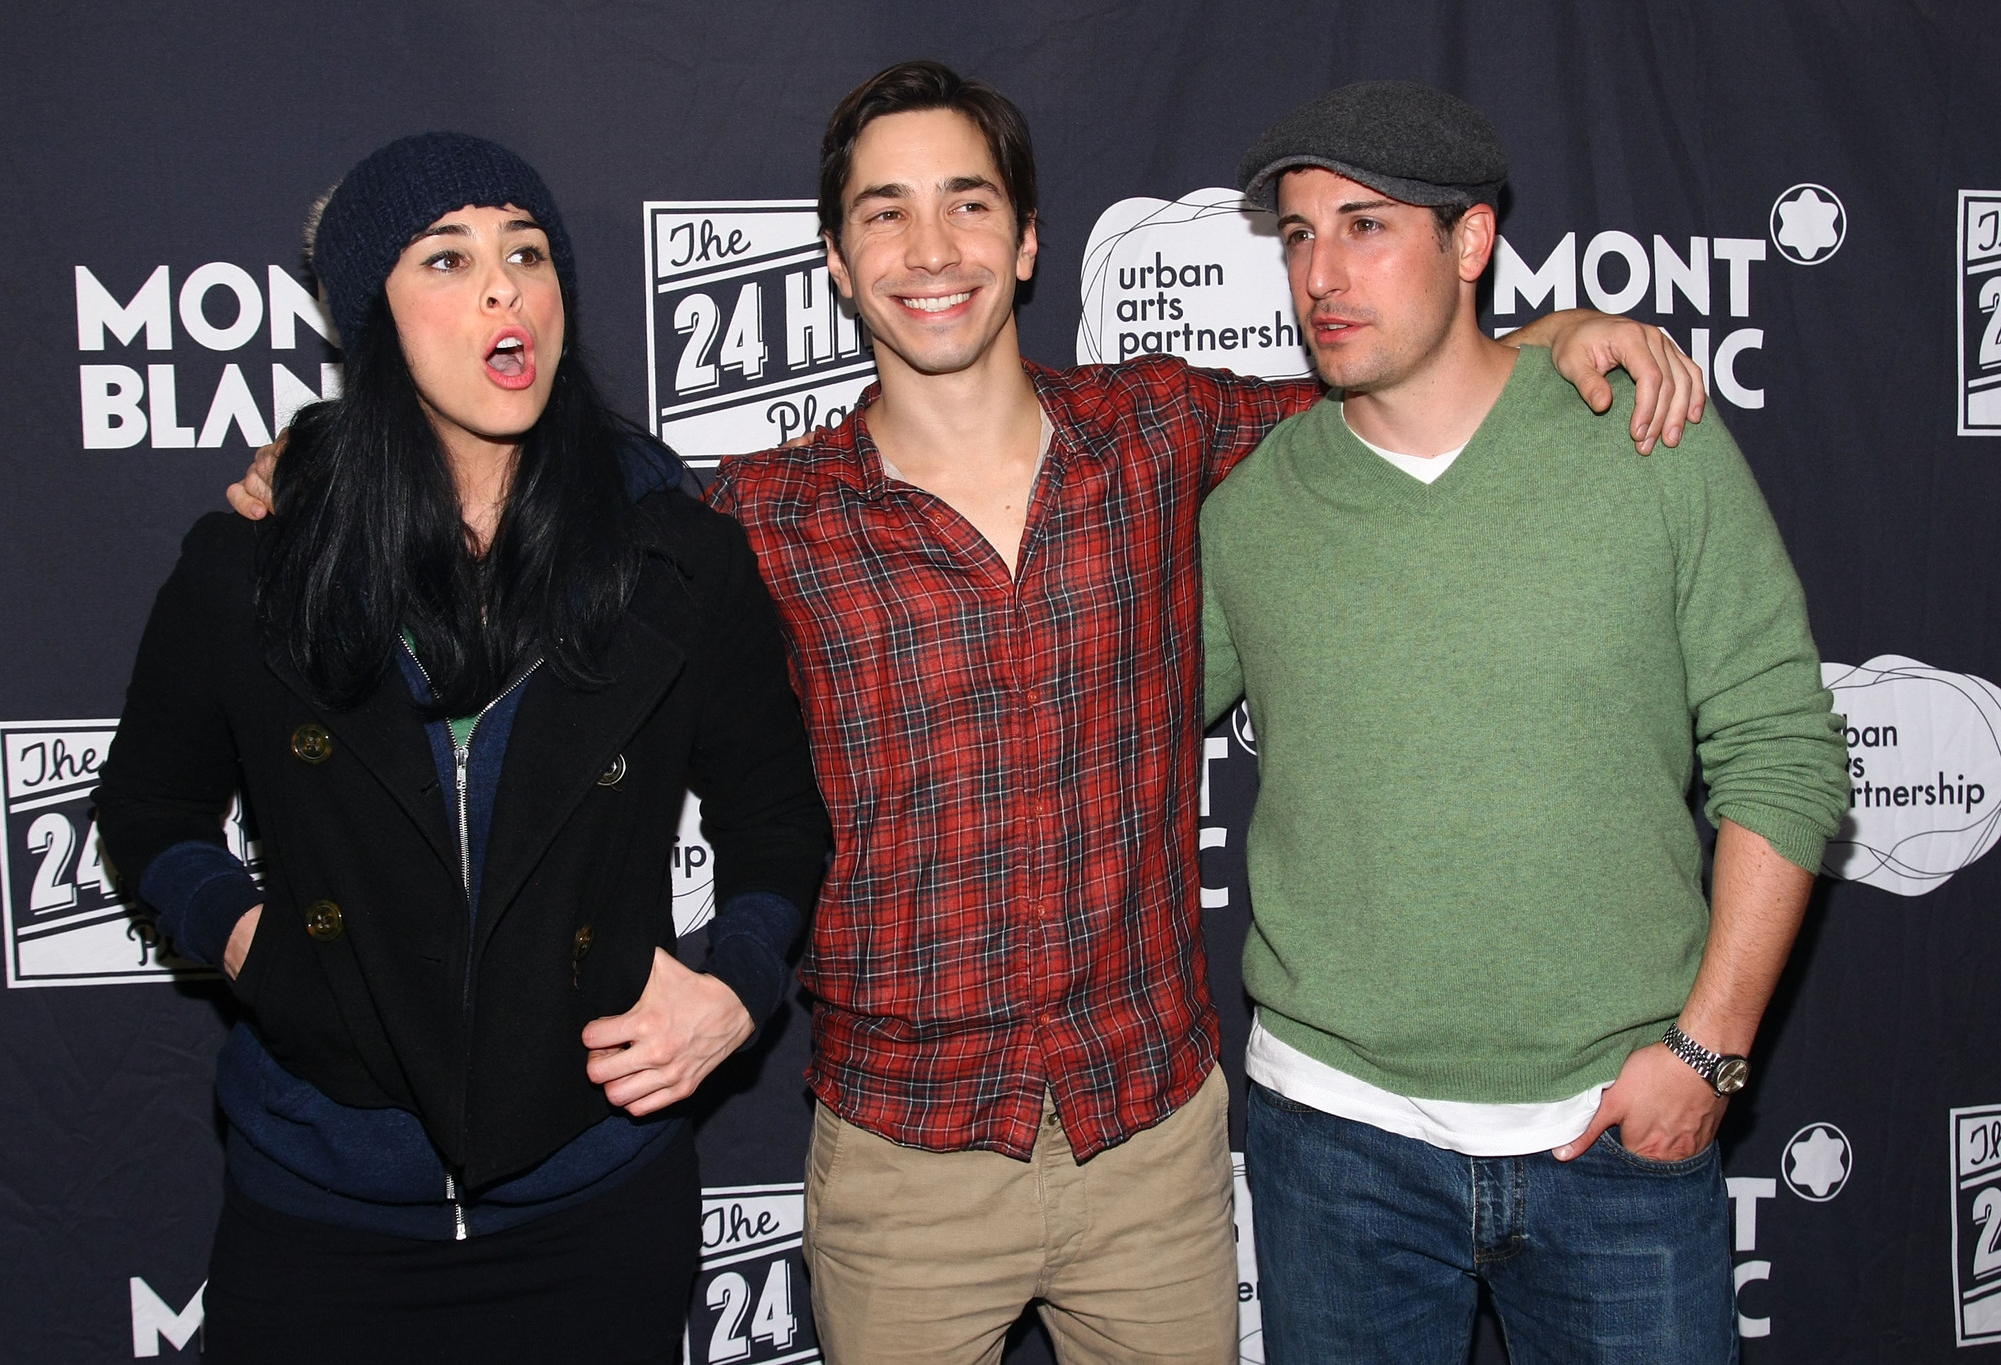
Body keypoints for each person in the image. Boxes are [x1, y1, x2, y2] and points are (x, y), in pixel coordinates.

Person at [229, 65, 1703, 1365]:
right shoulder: (759, 519)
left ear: (1028, 240)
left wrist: (1550, 326)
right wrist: (354, 436)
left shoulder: (1163, 432)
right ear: (834, 259)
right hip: (902, 1160)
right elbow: (549, 463)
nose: (930, 251)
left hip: (1153, 1146)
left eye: (967, 205)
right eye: (884, 213)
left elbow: (1392, 383)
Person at [98, 132, 830, 1365]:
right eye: (447, 257)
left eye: (527, 254)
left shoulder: (672, 559)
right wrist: (246, 937)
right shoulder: (255, 563)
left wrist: (736, 987)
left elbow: (775, 816)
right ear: (368, 320)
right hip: (320, 1217)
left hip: (592, 1206)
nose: (503, 288)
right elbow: (150, 808)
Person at [1201, 81, 1850, 1363]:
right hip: (1333, 1145)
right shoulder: (1249, 507)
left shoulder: (1645, 437)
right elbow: (1115, 719)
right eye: (1295, 233)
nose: (1320, 272)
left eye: (1365, 225)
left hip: (1618, 1129)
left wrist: (1708, 1053)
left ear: (1471, 240)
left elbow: (1780, 747)